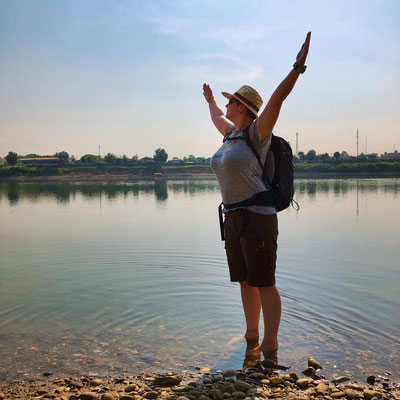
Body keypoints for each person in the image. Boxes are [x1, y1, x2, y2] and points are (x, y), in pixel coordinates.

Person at [203, 32, 311, 357]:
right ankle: (251, 335)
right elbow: (215, 117)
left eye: (230, 101)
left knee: (264, 280)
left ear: (244, 108)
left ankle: (271, 342)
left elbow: (277, 100)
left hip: (258, 216)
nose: (226, 105)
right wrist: (208, 100)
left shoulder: (256, 133)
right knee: (245, 280)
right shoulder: (230, 135)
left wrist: (297, 68)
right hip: (233, 216)